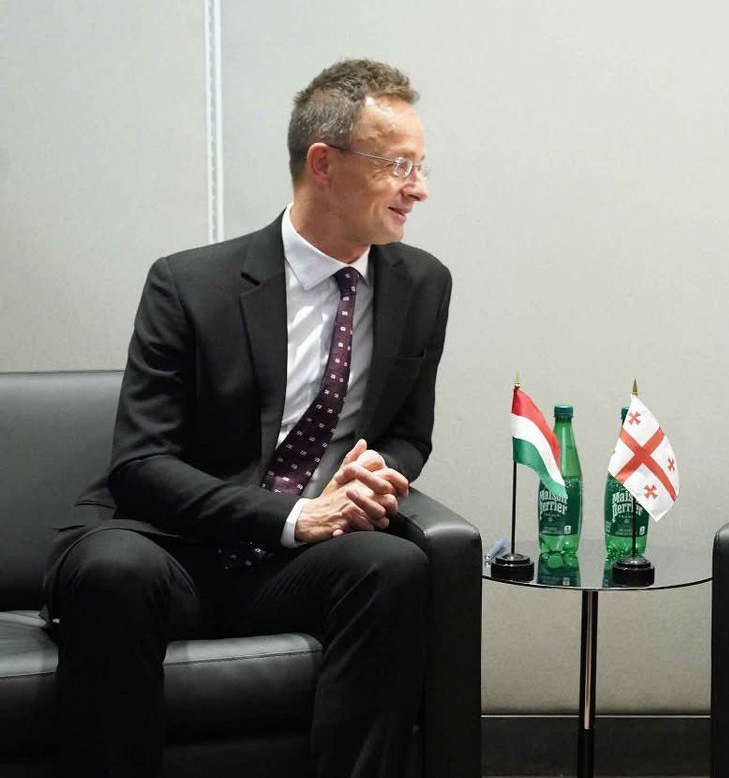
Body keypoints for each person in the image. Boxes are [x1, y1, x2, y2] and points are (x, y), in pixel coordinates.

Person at [44, 58, 449, 777]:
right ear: (324, 163)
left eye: (420, 166)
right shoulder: (189, 283)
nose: (418, 188)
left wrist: (376, 472)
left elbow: (408, 431)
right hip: (170, 548)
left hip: (293, 569)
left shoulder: (422, 283)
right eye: (398, 165)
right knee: (112, 569)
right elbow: (140, 465)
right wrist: (293, 518)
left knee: (394, 566)